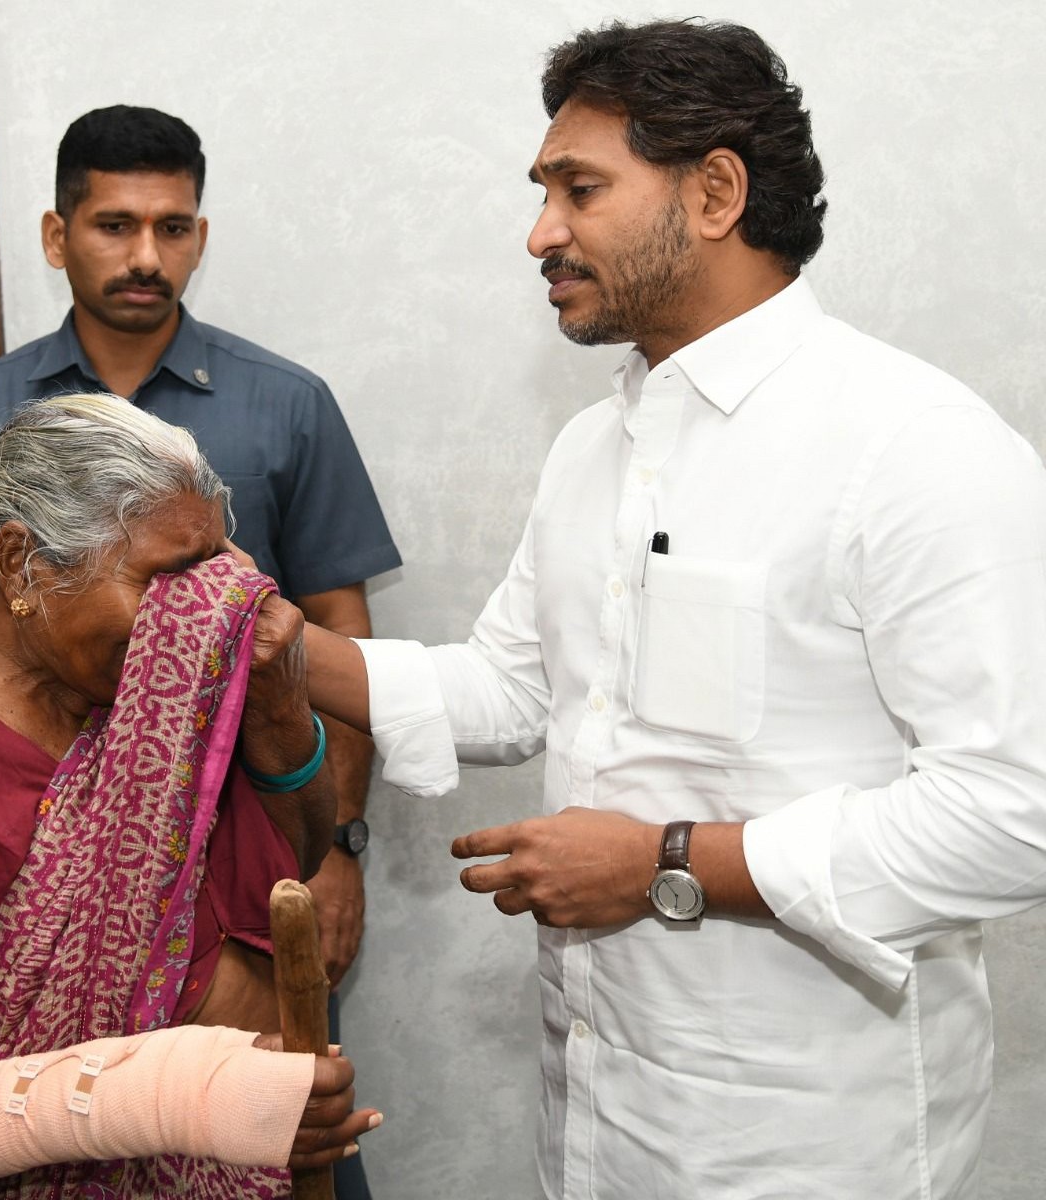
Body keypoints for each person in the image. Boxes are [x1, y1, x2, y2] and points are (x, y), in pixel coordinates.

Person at [303, 18, 1046, 1198]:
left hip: (807, 1146)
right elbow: (512, 691)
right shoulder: (593, 446)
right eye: (543, 191)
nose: (539, 231)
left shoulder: (913, 447)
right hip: (600, 1122)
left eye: (578, 188)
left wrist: (664, 862)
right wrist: (260, 638)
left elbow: (1015, 816)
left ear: (713, 192)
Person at [0, 109, 398, 1196]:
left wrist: (336, 852)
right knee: (73, 1121)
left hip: (248, 831)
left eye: (173, 229)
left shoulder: (284, 404)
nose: (144, 257)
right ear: (55, 233)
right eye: (114, 225)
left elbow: (338, 638)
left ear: (200, 234)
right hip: (40, 853)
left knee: (280, 1115)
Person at [0, 394, 380, 1197]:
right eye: (165, 578)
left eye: (214, 567)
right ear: (22, 564)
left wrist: (281, 708)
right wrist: (180, 1094)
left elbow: (290, 859)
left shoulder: (164, 676)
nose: (207, 608)